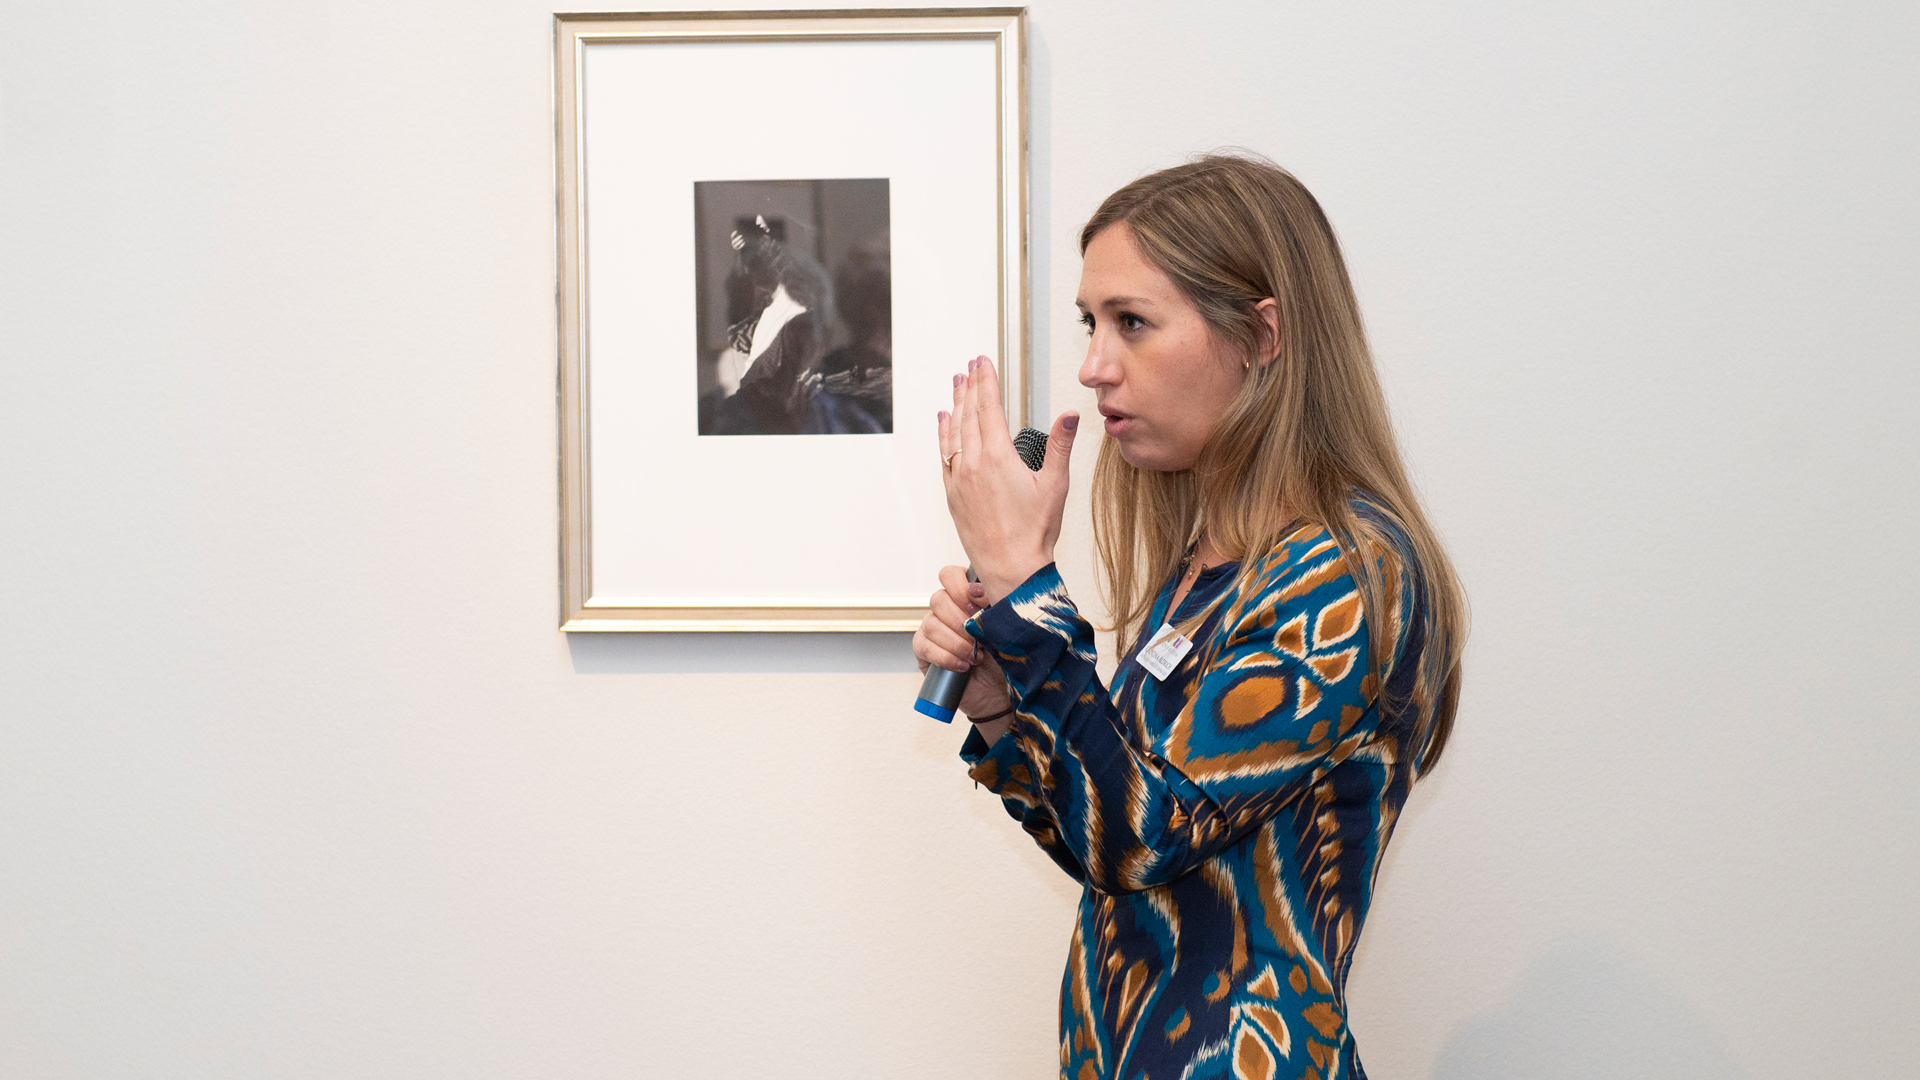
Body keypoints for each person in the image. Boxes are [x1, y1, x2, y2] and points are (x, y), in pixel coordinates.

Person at [913, 152, 1467, 1080]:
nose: (1094, 366)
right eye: (1091, 323)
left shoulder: (1350, 570)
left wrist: (1024, 587)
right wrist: (1002, 705)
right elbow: (1110, 850)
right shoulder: (1208, 571)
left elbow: (1143, 837)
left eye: (1132, 322)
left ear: (1262, 335)